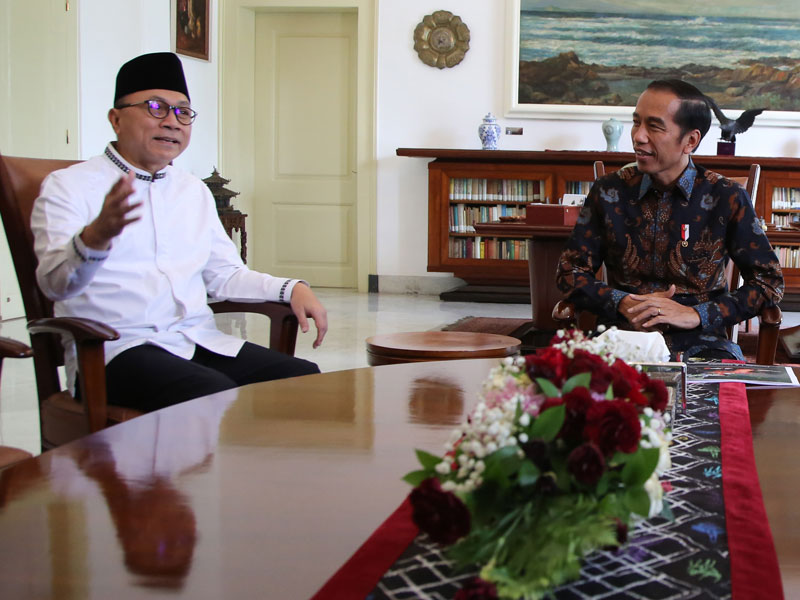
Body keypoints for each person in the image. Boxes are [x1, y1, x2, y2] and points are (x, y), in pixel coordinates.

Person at [32, 52, 327, 411]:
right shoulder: (68, 186)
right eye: (155, 107)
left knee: (304, 380)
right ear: (116, 119)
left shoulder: (192, 190)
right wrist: (95, 237)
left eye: (182, 112)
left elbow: (223, 275)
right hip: (115, 353)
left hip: (195, 341)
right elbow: (54, 284)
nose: (172, 122)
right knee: (211, 393)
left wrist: (290, 287)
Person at [556, 79, 784, 360]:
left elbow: (768, 282)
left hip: (703, 343)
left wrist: (694, 314)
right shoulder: (609, 191)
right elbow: (570, 272)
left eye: (654, 126)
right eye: (636, 122)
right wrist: (622, 302)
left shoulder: (726, 197)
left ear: (690, 140)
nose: (639, 136)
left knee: (721, 402)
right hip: (621, 339)